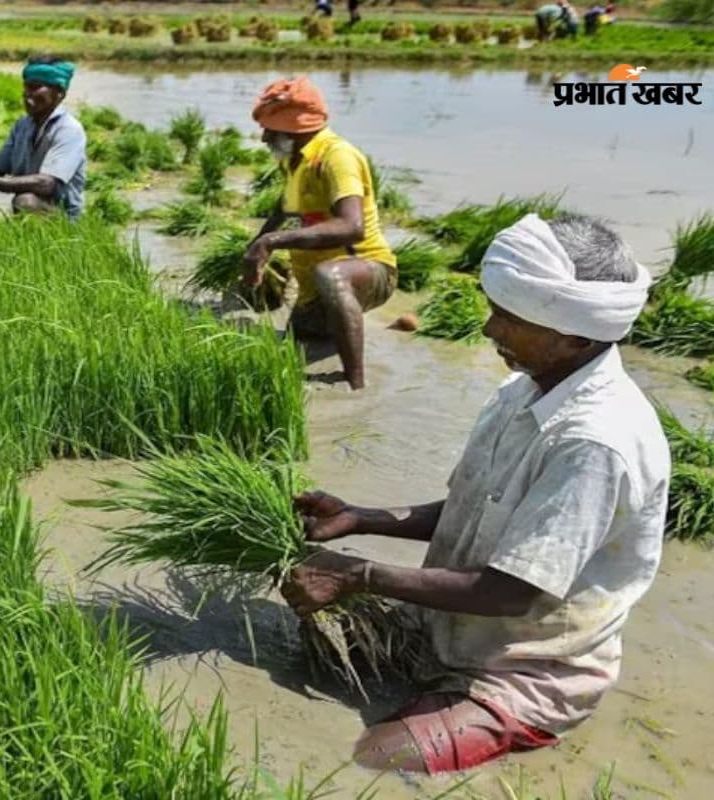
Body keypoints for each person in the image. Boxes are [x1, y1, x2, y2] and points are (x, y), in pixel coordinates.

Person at [280, 213, 668, 774]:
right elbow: (475, 512)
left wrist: (356, 574)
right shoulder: (522, 390)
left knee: (376, 760)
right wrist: (361, 517)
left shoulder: (594, 443)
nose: (488, 330)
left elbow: (512, 592)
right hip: (442, 627)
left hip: (525, 668)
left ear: (575, 336)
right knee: (307, 647)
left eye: (509, 318)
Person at [244, 77, 395, 391]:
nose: (264, 138)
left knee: (330, 275)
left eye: (271, 130)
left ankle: (355, 384)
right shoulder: (295, 161)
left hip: (369, 270)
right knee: (297, 342)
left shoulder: (336, 157)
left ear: (295, 128)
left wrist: (271, 242)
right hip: (314, 289)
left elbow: (352, 227)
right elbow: (283, 208)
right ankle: (349, 324)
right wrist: (254, 248)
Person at [0, 56, 86, 220]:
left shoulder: (68, 130)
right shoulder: (23, 125)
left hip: (62, 214)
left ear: (60, 93)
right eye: (26, 87)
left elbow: (46, 184)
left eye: (36, 88)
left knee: (25, 201)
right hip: (32, 203)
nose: (27, 94)